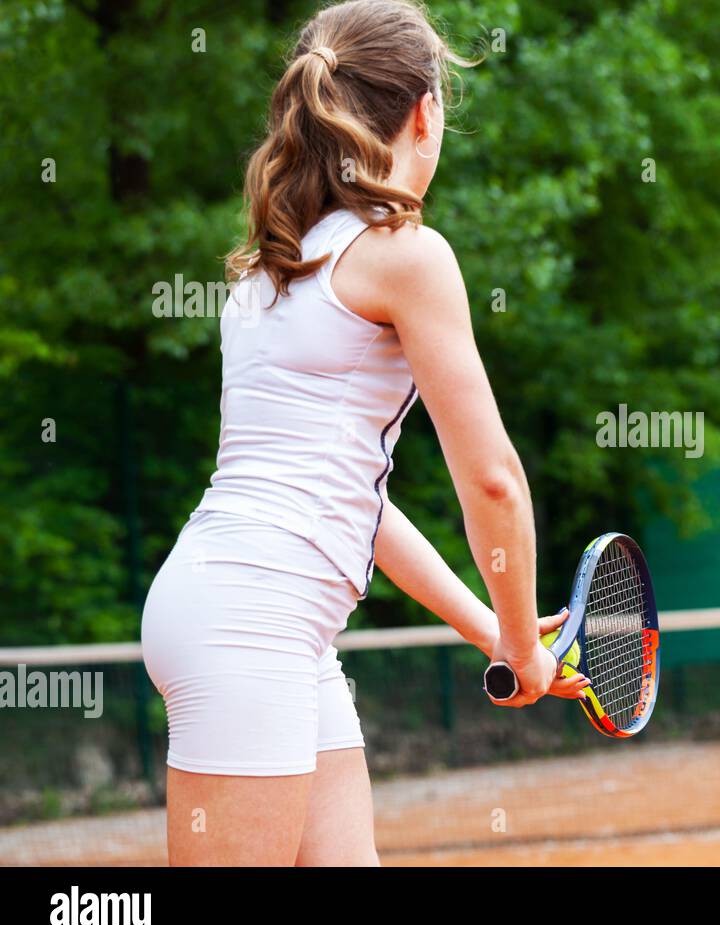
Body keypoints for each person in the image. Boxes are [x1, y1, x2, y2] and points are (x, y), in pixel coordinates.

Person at [141, 0, 588, 866]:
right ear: (426, 112)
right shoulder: (407, 255)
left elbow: (361, 507)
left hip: (255, 616)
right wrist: (525, 645)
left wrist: (496, 631)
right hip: (253, 623)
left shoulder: (277, 270)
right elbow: (493, 479)